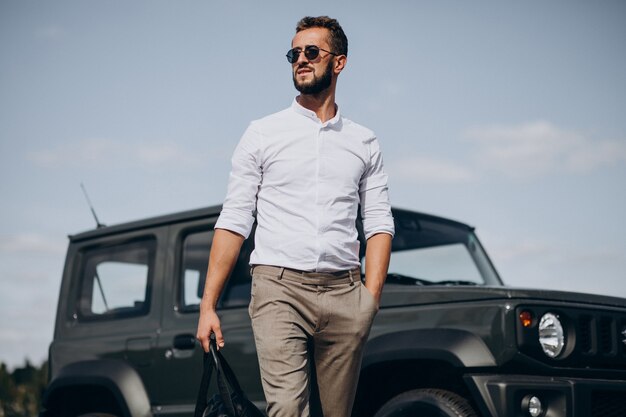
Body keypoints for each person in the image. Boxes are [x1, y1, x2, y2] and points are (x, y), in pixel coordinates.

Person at [196, 16, 394, 417]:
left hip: (344, 293)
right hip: (278, 289)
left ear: (338, 63)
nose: (300, 60)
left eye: (311, 52)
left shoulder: (364, 141)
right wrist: (208, 305)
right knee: (287, 408)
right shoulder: (262, 133)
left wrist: (368, 302)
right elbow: (235, 219)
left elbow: (378, 223)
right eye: (294, 54)